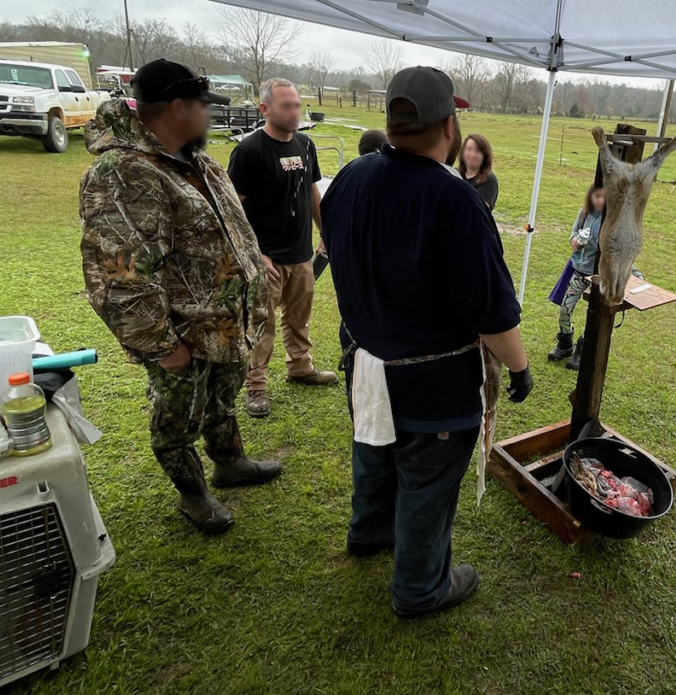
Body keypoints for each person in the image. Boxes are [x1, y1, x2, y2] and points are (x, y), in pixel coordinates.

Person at [321, 66, 533, 618]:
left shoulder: (351, 175)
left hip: (364, 359)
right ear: (448, 124)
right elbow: (489, 311)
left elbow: (333, 241)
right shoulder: (454, 199)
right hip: (429, 384)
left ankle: (368, 533)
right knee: (427, 482)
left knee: (373, 450)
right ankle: (419, 589)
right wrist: (518, 367)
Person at [80, 59, 281, 534]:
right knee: (176, 420)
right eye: (202, 107)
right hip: (181, 334)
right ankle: (194, 496)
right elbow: (118, 273)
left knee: (220, 402)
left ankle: (229, 463)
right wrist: (163, 347)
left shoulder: (196, 162)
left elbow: (227, 231)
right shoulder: (124, 173)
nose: (208, 117)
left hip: (224, 323)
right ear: (177, 108)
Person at [228, 78, 338, 420]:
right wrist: (254, 254)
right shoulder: (249, 151)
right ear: (265, 109)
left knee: (299, 318)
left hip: (300, 253)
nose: (295, 112)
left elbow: (312, 192)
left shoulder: (306, 145)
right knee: (261, 325)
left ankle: (300, 367)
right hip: (267, 259)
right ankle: (256, 386)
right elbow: (232, 209)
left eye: (297, 105)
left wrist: (328, 232)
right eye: (286, 106)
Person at [547, 184, 641, 370]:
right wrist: (574, 239)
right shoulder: (583, 213)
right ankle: (565, 344)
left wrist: (635, 272)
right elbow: (574, 232)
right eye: (597, 196)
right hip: (578, 272)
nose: (601, 201)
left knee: (595, 315)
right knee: (565, 309)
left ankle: (583, 348)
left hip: (599, 277)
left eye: (605, 197)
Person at [313, 128, 388, 281]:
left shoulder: (346, 173)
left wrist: (324, 238)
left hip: (347, 257)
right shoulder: (387, 173)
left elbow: (328, 208)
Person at [458, 133, 499, 211]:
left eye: (477, 151)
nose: (472, 154)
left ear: (485, 155)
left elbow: (478, 211)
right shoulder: (453, 174)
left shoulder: (489, 181)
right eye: (469, 149)